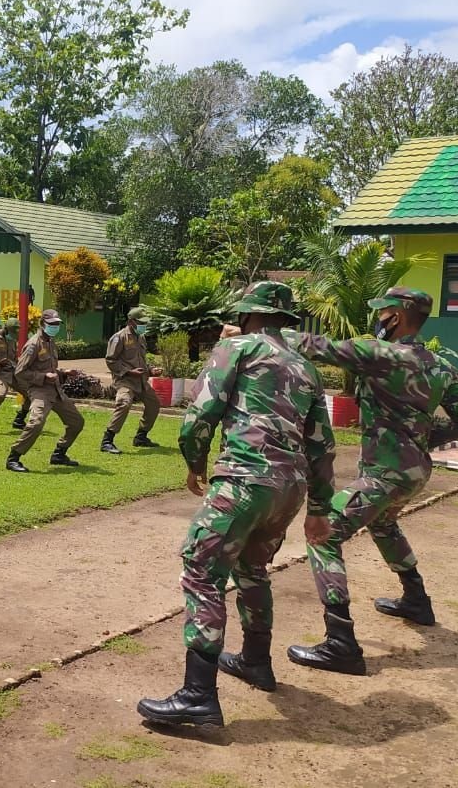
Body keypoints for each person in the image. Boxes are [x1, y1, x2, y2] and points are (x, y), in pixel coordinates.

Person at [137, 282, 335, 728]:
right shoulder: (305, 366)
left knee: (202, 570)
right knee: (252, 569)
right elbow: (322, 444)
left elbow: (201, 414)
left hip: (246, 477)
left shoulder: (236, 348)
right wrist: (320, 506)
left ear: (247, 315)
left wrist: (195, 462)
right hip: (290, 487)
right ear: (285, 320)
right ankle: (255, 661)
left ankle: (198, 694)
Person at [282, 286, 458, 676]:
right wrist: (421, 438)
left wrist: (258, 333)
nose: (380, 318)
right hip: (416, 472)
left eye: (384, 311)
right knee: (384, 523)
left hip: (384, 474)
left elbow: (316, 345)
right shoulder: (439, 366)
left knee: (323, 534)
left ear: (399, 315)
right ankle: (416, 600)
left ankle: (340, 642)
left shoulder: (382, 354)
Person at [5, 309, 85, 472]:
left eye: (57, 324)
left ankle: (59, 454)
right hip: (40, 391)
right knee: (36, 423)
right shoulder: (34, 344)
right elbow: (20, 371)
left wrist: (63, 373)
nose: (55, 327)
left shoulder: (50, 341)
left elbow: (50, 368)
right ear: (43, 324)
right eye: (52, 324)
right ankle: (14, 457)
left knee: (76, 422)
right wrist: (42, 377)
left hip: (55, 390)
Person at [102, 307, 163, 453]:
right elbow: (111, 360)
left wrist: (150, 370)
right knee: (124, 403)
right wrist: (129, 371)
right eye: (141, 322)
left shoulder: (140, 337)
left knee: (154, 404)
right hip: (125, 380)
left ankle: (141, 436)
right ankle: (107, 441)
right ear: (131, 321)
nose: (144, 325)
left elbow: (140, 360)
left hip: (141, 380)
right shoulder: (119, 337)